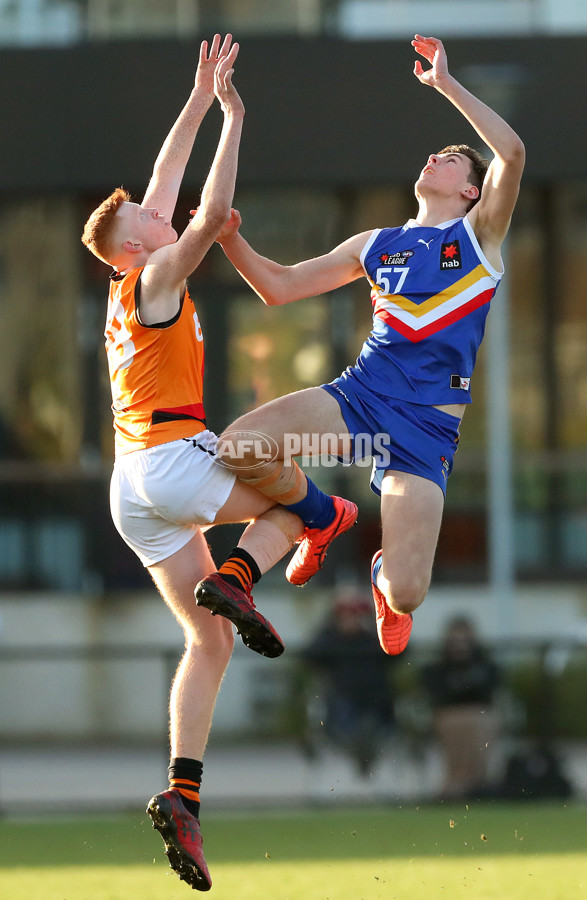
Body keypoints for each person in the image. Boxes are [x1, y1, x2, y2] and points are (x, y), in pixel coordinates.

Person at [81, 36, 354, 893]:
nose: (155, 213)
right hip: (172, 455)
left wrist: (201, 98)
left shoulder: (129, 279)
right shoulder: (157, 273)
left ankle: (183, 796)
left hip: (133, 486)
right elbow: (203, 218)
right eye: (143, 221)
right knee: (298, 507)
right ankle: (241, 574)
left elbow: (167, 189)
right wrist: (236, 125)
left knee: (205, 641)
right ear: (132, 249)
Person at [208, 34, 525, 657]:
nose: (435, 158)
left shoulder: (480, 236)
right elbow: (279, 287)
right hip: (359, 404)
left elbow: (511, 152)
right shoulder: (375, 244)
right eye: (433, 154)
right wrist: (228, 238)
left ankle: (380, 577)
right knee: (240, 446)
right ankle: (320, 518)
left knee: (409, 593)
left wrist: (444, 84)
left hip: (423, 431)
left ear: (470, 191)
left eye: (451, 160)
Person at [301, 586, 397, 776]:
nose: (351, 621)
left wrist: (381, 625)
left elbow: (399, 651)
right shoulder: (330, 640)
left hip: (376, 701)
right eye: (345, 615)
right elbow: (309, 655)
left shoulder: (373, 640)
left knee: (374, 719)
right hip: (341, 702)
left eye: (356, 615)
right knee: (346, 714)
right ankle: (361, 743)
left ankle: (365, 742)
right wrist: (329, 628)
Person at [420, 616, 501, 800]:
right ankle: (463, 782)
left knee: (477, 722)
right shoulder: (438, 668)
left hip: (478, 715)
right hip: (448, 715)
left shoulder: (485, 666)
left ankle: (468, 782)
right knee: (457, 724)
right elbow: (439, 694)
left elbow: (488, 692)